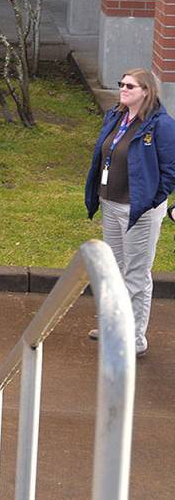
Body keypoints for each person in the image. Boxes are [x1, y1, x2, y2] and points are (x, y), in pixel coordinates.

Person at [84, 69, 175, 358]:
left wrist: (151, 201)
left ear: (146, 91)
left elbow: (170, 171)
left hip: (140, 211)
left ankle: (134, 339)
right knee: (115, 270)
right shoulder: (116, 116)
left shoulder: (161, 126)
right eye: (121, 84)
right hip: (111, 203)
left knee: (136, 274)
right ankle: (114, 327)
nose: (123, 89)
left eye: (130, 86)